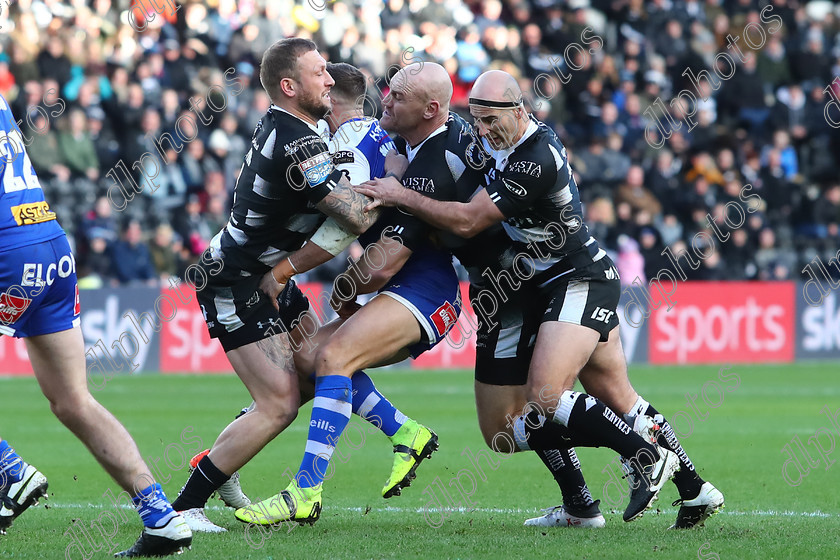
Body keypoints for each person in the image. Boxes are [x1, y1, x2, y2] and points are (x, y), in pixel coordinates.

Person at [234, 62, 609, 529]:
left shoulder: (402, 152)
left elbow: (379, 248)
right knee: (313, 357)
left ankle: (306, 491)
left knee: (334, 358)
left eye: (395, 96)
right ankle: (410, 434)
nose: (385, 102)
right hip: (484, 286)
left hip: (438, 288)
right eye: (385, 95)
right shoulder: (394, 143)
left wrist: (295, 269)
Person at [358, 69, 724, 528]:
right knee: (608, 397)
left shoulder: (535, 157)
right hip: (537, 283)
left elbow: (471, 221)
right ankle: (691, 489)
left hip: (576, 277)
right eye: (477, 119)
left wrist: (402, 193)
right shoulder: (482, 137)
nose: (483, 130)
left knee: (546, 396)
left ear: (519, 110)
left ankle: (641, 455)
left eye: (492, 120)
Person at [169, 40, 434, 533]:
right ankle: (184, 507)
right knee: (279, 404)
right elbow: (353, 217)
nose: (329, 80)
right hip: (237, 279)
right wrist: (398, 182)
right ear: (290, 87)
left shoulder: (302, 131)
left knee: (321, 362)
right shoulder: (297, 140)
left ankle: (404, 435)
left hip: (268, 274)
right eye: (318, 73)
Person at [0, 93, 192, 555]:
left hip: (7, 252)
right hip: (49, 241)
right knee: (73, 402)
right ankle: (160, 515)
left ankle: (10, 470)